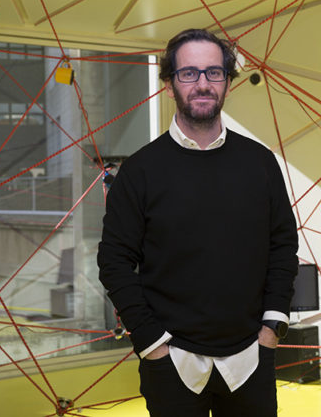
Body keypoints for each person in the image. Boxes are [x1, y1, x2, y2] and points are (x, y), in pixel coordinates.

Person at [97, 28, 298, 417]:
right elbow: (114, 261)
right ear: (169, 85)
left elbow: (283, 246)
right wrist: (151, 343)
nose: (203, 84)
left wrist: (272, 329)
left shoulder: (260, 163)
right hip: (171, 362)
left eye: (214, 72)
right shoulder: (140, 170)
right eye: (189, 73)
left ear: (227, 83)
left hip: (251, 359)